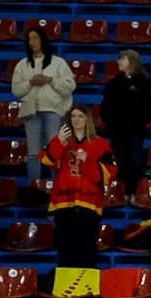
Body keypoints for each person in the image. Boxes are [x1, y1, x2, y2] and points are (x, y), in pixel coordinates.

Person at [39, 107, 115, 273]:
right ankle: (66, 291)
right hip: (63, 203)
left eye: (81, 116)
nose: (77, 119)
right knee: (65, 248)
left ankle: (85, 289)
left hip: (90, 204)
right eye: (73, 116)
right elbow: (45, 160)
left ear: (88, 119)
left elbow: (109, 173)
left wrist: (89, 162)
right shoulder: (63, 140)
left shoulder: (100, 144)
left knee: (87, 249)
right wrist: (59, 141)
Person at [12, 26, 75, 189]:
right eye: (29, 39)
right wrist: (31, 82)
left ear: (43, 40)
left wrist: (50, 80)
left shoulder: (58, 63)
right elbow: (16, 90)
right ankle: (34, 189)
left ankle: (57, 188)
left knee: (54, 151)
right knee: (33, 154)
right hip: (31, 112)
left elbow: (70, 86)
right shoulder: (22, 65)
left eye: (35, 38)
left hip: (53, 111)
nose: (32, 42)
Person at [99, 49, 151, 200]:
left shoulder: (144, 83)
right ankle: (122, 192)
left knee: (135, 160)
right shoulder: (114, 83)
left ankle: (134, 191)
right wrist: (110, 121)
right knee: (121, 160)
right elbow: (105, 106)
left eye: (122, 59)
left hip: (136, 130)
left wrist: (141, 119)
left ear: (132, 62)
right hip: (117, 130)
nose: (119, 62)